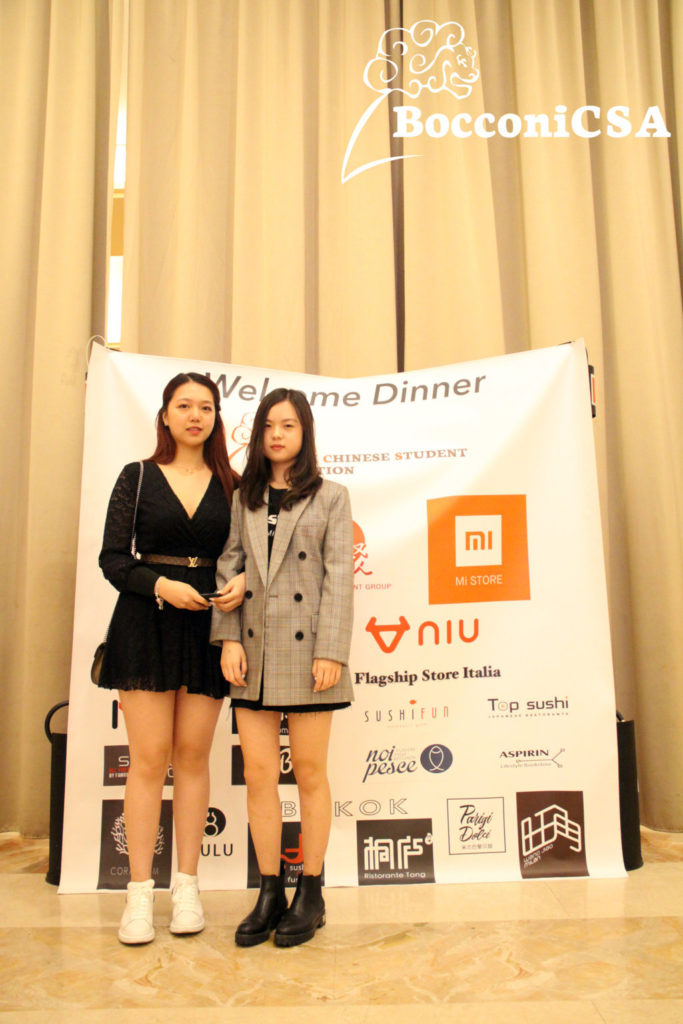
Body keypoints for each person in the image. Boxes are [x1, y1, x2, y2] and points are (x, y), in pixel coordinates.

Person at [97, 372, 244, 945]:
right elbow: (113, 559)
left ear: (215, 418)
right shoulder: (136, 476)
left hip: (209, 626)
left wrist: (242, 585)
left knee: (193, 756)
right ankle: (138, 894)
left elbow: (249, 557)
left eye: (205, 407)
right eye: (184, 405)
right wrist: (161, 585)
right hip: (146, 623)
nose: (194, 415)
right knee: (149, 758)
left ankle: (187, 886)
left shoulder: (234, 484)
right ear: (164, 415)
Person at [211, 388, 354, 948]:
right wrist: (226, 639)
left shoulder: (332, 496)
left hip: (311, 652)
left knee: (311, 773)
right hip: (254, 652)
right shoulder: (243, 498)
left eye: (288, 425)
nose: (277, 434)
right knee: (259, 775)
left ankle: (310, 891)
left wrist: (331, 650)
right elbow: (229, 567)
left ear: (304, 432)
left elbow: (339, 577)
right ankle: (269, 890)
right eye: (269, 425)